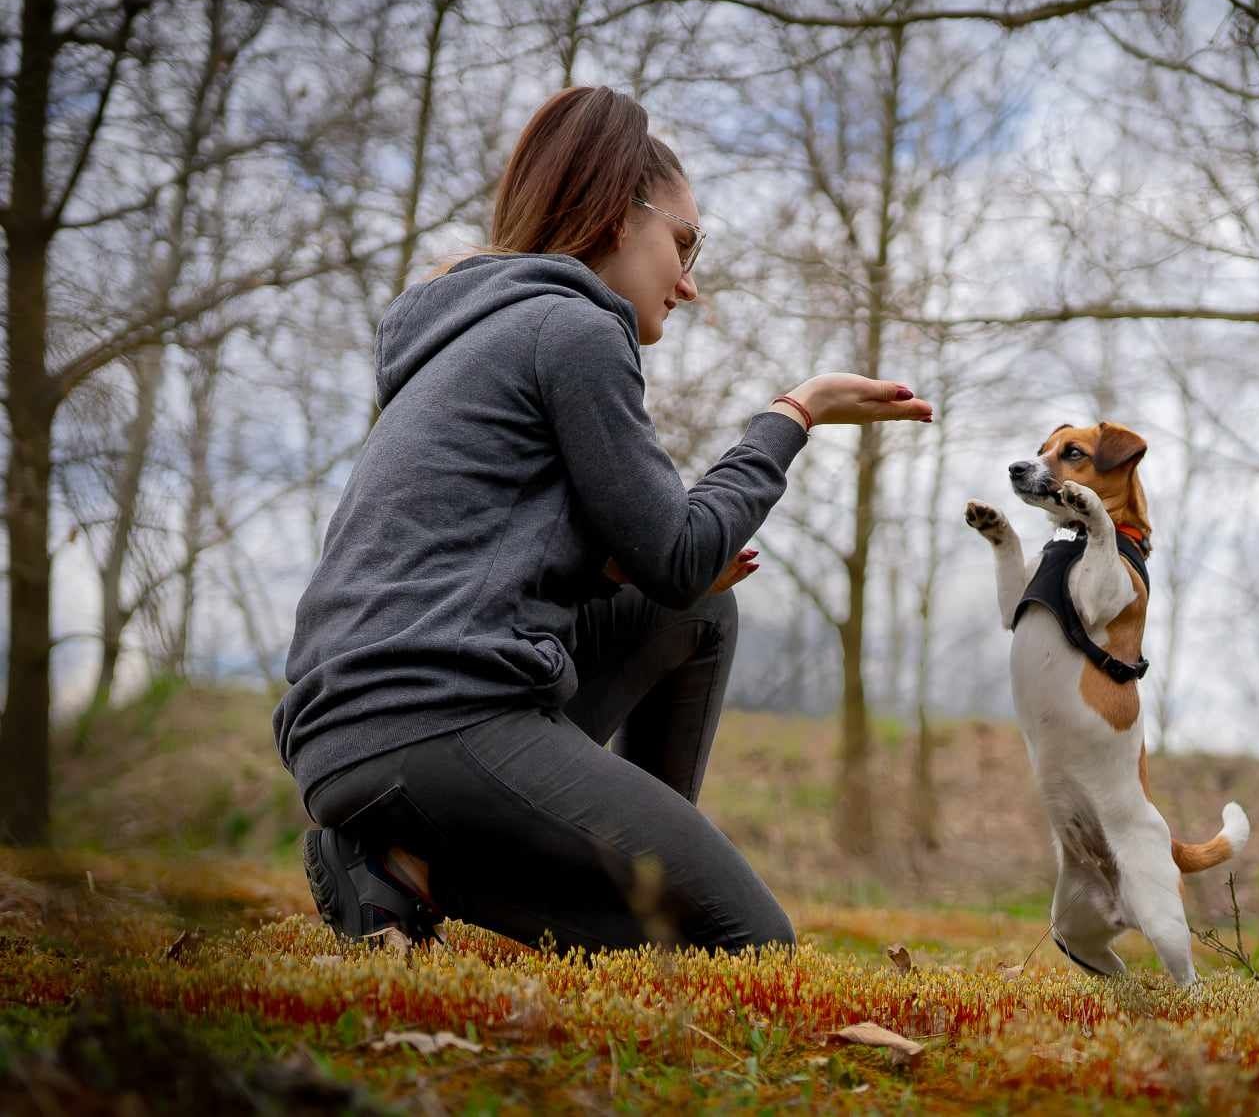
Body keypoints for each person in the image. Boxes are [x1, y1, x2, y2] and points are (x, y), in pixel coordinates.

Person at [275, 85, 932, 957]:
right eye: (684, 244)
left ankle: (417, 855)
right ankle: (403, 865)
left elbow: (527, 557)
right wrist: (793, 413)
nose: (690, 284)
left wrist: (611, 574)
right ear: (621, 217)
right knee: (744, 941)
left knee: (697, 609)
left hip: (342, 729)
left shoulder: (472, 331)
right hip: (436, 716)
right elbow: (676, 551)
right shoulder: (575, 327)